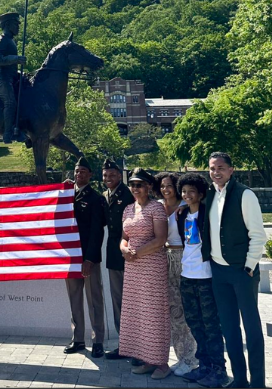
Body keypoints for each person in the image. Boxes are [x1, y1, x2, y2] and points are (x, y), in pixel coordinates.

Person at [203, 152, 267, 388]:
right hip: (218, 272)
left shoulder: (245, 194)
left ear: (231, 170)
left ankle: (257, 383)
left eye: (220, 167)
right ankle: (240, 379)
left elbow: (258, 235)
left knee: (252, 329)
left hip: (243, 271)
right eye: (212, 168)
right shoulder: (210, 194)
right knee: (229, 328)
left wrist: (250, 266)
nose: (215, 172)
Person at [176, 173, 230, 388]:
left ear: (200, 193)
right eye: (184, 191)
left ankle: (219, 370)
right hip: (187, 275)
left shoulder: (209, 213)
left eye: (191, 191)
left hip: (206, 276)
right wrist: (182, 204)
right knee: (195, 323)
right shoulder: (182, 215)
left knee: (211, 325)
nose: (187, 195)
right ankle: (204, 366)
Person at [119, 167, 171, 380]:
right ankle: (147, 359)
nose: (135, 188)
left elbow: (160, 240)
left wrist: (137, 253)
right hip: (133, 268)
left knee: (154, 314)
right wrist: (123, 249)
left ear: (149, 186)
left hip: (151, 267)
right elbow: (124, 237)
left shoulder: (156, 209)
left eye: (139, 184)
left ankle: (162, 363)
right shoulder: (128, 209)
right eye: (132, 184)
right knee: (139, 314)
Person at [154, 172, 198, 377]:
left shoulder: (186, 206)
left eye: (169, 185)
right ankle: (181, 357)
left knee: (186, 309)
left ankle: (191, 358)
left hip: (183, 258)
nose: (165, 189)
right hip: (165, 258)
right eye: (162, 186)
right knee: (173, 312)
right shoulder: (158, 206)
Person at [63, 157, 106, 358]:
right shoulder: (66, 195)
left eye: (82, 171)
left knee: (94, 300)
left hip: (88, 258)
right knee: (74, 299)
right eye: (76, 171)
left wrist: (89, 259)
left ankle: (97, 341)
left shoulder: (96, 198)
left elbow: (97, 231)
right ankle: (78, 339)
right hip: (70, 258)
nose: (78, 174)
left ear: (90, 175)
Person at [101, 158, 134, 361]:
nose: (108, 178)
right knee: (118, 301)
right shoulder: (105, 195)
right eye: (105, 175)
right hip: (114, 254)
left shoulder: (129, 194)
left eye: (112, 174)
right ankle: (124, 344)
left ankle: (135, 345)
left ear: (120, 174)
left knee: (132, 302)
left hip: (131, 254)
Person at [0, 11, 27, 144]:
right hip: (2, 77)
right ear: (7, 25)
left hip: (12, 76)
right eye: (15, 24)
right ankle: (8, 133)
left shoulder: (10, 40)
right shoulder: (2, 40)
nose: (18, 27)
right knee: (10, 103)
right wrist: (15, 59)